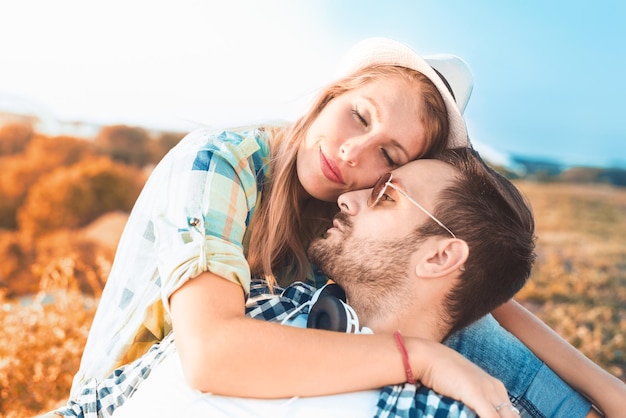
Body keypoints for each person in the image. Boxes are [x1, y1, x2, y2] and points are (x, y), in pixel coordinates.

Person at [50, 37, 625, 417]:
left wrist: (607, 390)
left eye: (390, 160)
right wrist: (423, 359)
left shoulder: (348, 211)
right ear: (330, 96)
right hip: (134, 391)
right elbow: (210, 355)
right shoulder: (222, 164)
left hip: (273, 360)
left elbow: (481, 296)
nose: (352, 153)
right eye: (359, 115)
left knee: (453, 314)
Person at [76, 148, 533, 418]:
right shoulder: (261, 304)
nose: (349, 199)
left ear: (439, 256)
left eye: (385, 196)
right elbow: (94, 407)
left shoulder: (445, 412)